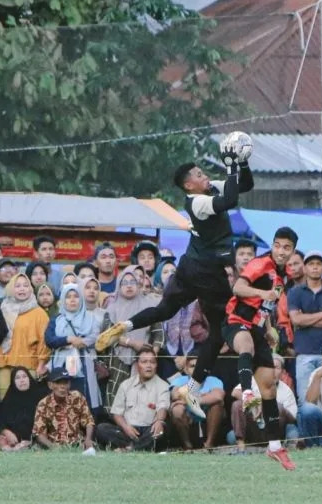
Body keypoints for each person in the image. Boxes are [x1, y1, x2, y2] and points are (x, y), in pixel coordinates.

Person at [97, 140, 254, 419]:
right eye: (197, 174)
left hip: (189, 266)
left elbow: (243, 187)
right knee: (219, 332)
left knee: (164, 310)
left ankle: (124, 326)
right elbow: (229, 200)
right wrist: (230, 166)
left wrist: (241, 163)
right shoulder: (200, 202)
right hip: (208, 272)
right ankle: (193, 390)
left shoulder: (207, 190)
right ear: (188, 186)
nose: (204, 175)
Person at [221, 226, 297, 470]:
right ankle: (246, 395)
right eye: (277, 245)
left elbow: (265, 305)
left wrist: (268, 329)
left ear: (293, 251)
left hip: (256, 327)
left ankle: (275, 447)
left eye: (287, 247)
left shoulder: (282, 274)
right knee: (247, 348)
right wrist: (263, 292)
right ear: (272, 245)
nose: (281, 251)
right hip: (236, 320)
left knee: (269, 389)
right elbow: (238, 289)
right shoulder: (260, 264)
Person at [98, 266, 163, 414]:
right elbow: (106, 336)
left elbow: (159, 334)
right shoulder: (112, 309)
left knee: (143, 400)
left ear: (139, 285)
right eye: (124, 282)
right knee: (116, 401)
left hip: (143, 359)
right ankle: (117, 433)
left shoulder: (150, 307)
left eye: (132, 282)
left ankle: (140, 432)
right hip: (117, 360)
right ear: (118, 286)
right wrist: (132, 343)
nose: (128, 286)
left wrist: (151, 355)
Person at [287, 250, 322, 405]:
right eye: (311, 264)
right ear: (305, 268)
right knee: (305, 401)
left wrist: (307, 319)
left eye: (318, 264)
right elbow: (296, 320)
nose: (315, 267)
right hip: (304, 353)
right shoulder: (295, 292)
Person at [96, 350, 170, 451]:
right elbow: (117, 414)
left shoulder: (163, 385)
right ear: (137, 365)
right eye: (144, 362)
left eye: (152, 362)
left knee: (161, 431)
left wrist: (159, 421)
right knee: (101, 429)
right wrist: (126, 427)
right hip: (128, 430)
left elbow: (163, 408)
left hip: (149, 430)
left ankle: (130, 448)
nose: (149, 365)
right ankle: (139, 446)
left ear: (156, 365)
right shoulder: (125, 385)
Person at [44, 283, 102, 412]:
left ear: (81, 299)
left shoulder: (91, 318)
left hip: (84, 365)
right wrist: (67, 339)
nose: (72, 300)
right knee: (62, 402)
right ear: (63, 300)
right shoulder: (56, 319)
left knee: (84, 399)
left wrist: (82, 342)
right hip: (62, 366)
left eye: (76, 296)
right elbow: (49, 339)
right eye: (68, 296)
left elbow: (96, 337)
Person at [0, 273, 50, 400]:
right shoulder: (2, 309)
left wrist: (41, 364)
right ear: (10, 288)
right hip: (3, 364)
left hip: (29, 365)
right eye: (18, 286)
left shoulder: (39, 313)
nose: (22, 289)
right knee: (4, 401)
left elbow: (44, 341)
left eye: (26, 285)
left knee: (28, 402)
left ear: (31, 288)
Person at [231, 353, 297, 450]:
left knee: (278, 408)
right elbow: (235, 392)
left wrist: (272, 408)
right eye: (268, 366)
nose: (271, 370)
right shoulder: (253, 380)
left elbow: (293, 418)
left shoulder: (286, 390)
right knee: (237, 405)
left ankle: (274, 446)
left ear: (283, 372)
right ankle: (241, 446)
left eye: (275, 367)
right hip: (254, 427)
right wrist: (257, 402)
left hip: (275, 431)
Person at [171, 352, 225, 450]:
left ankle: (208, 445)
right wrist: (206, 397)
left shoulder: (213, 380)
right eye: (193, 366)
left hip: (208, 422)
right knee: (177, 409)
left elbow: (218, 396)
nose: (197, 369)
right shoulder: (180, 380)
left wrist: (192, 399)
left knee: (217, 405)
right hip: (188, 421)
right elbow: (175, 395)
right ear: (186, 370)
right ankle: (187, 445)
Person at [31, 367, 94, 451]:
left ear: (70, 384)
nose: (62, 387)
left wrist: (88, 439)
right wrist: (53, 447)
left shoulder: (77, 397)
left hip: (77, 443)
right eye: (58, 383)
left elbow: (89, 421)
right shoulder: (43, 404)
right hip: (54, 444)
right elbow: (39, 433)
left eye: (65, 383)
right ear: (50, 385)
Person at [0, 367, 46, 451]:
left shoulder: (40, 398)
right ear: (13, 382)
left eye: (24, 376)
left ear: (29, 378)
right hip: (11, 440)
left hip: (33, 439)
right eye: (17, 378)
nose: (22, 380)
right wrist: (6, 432)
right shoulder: (8, 400)